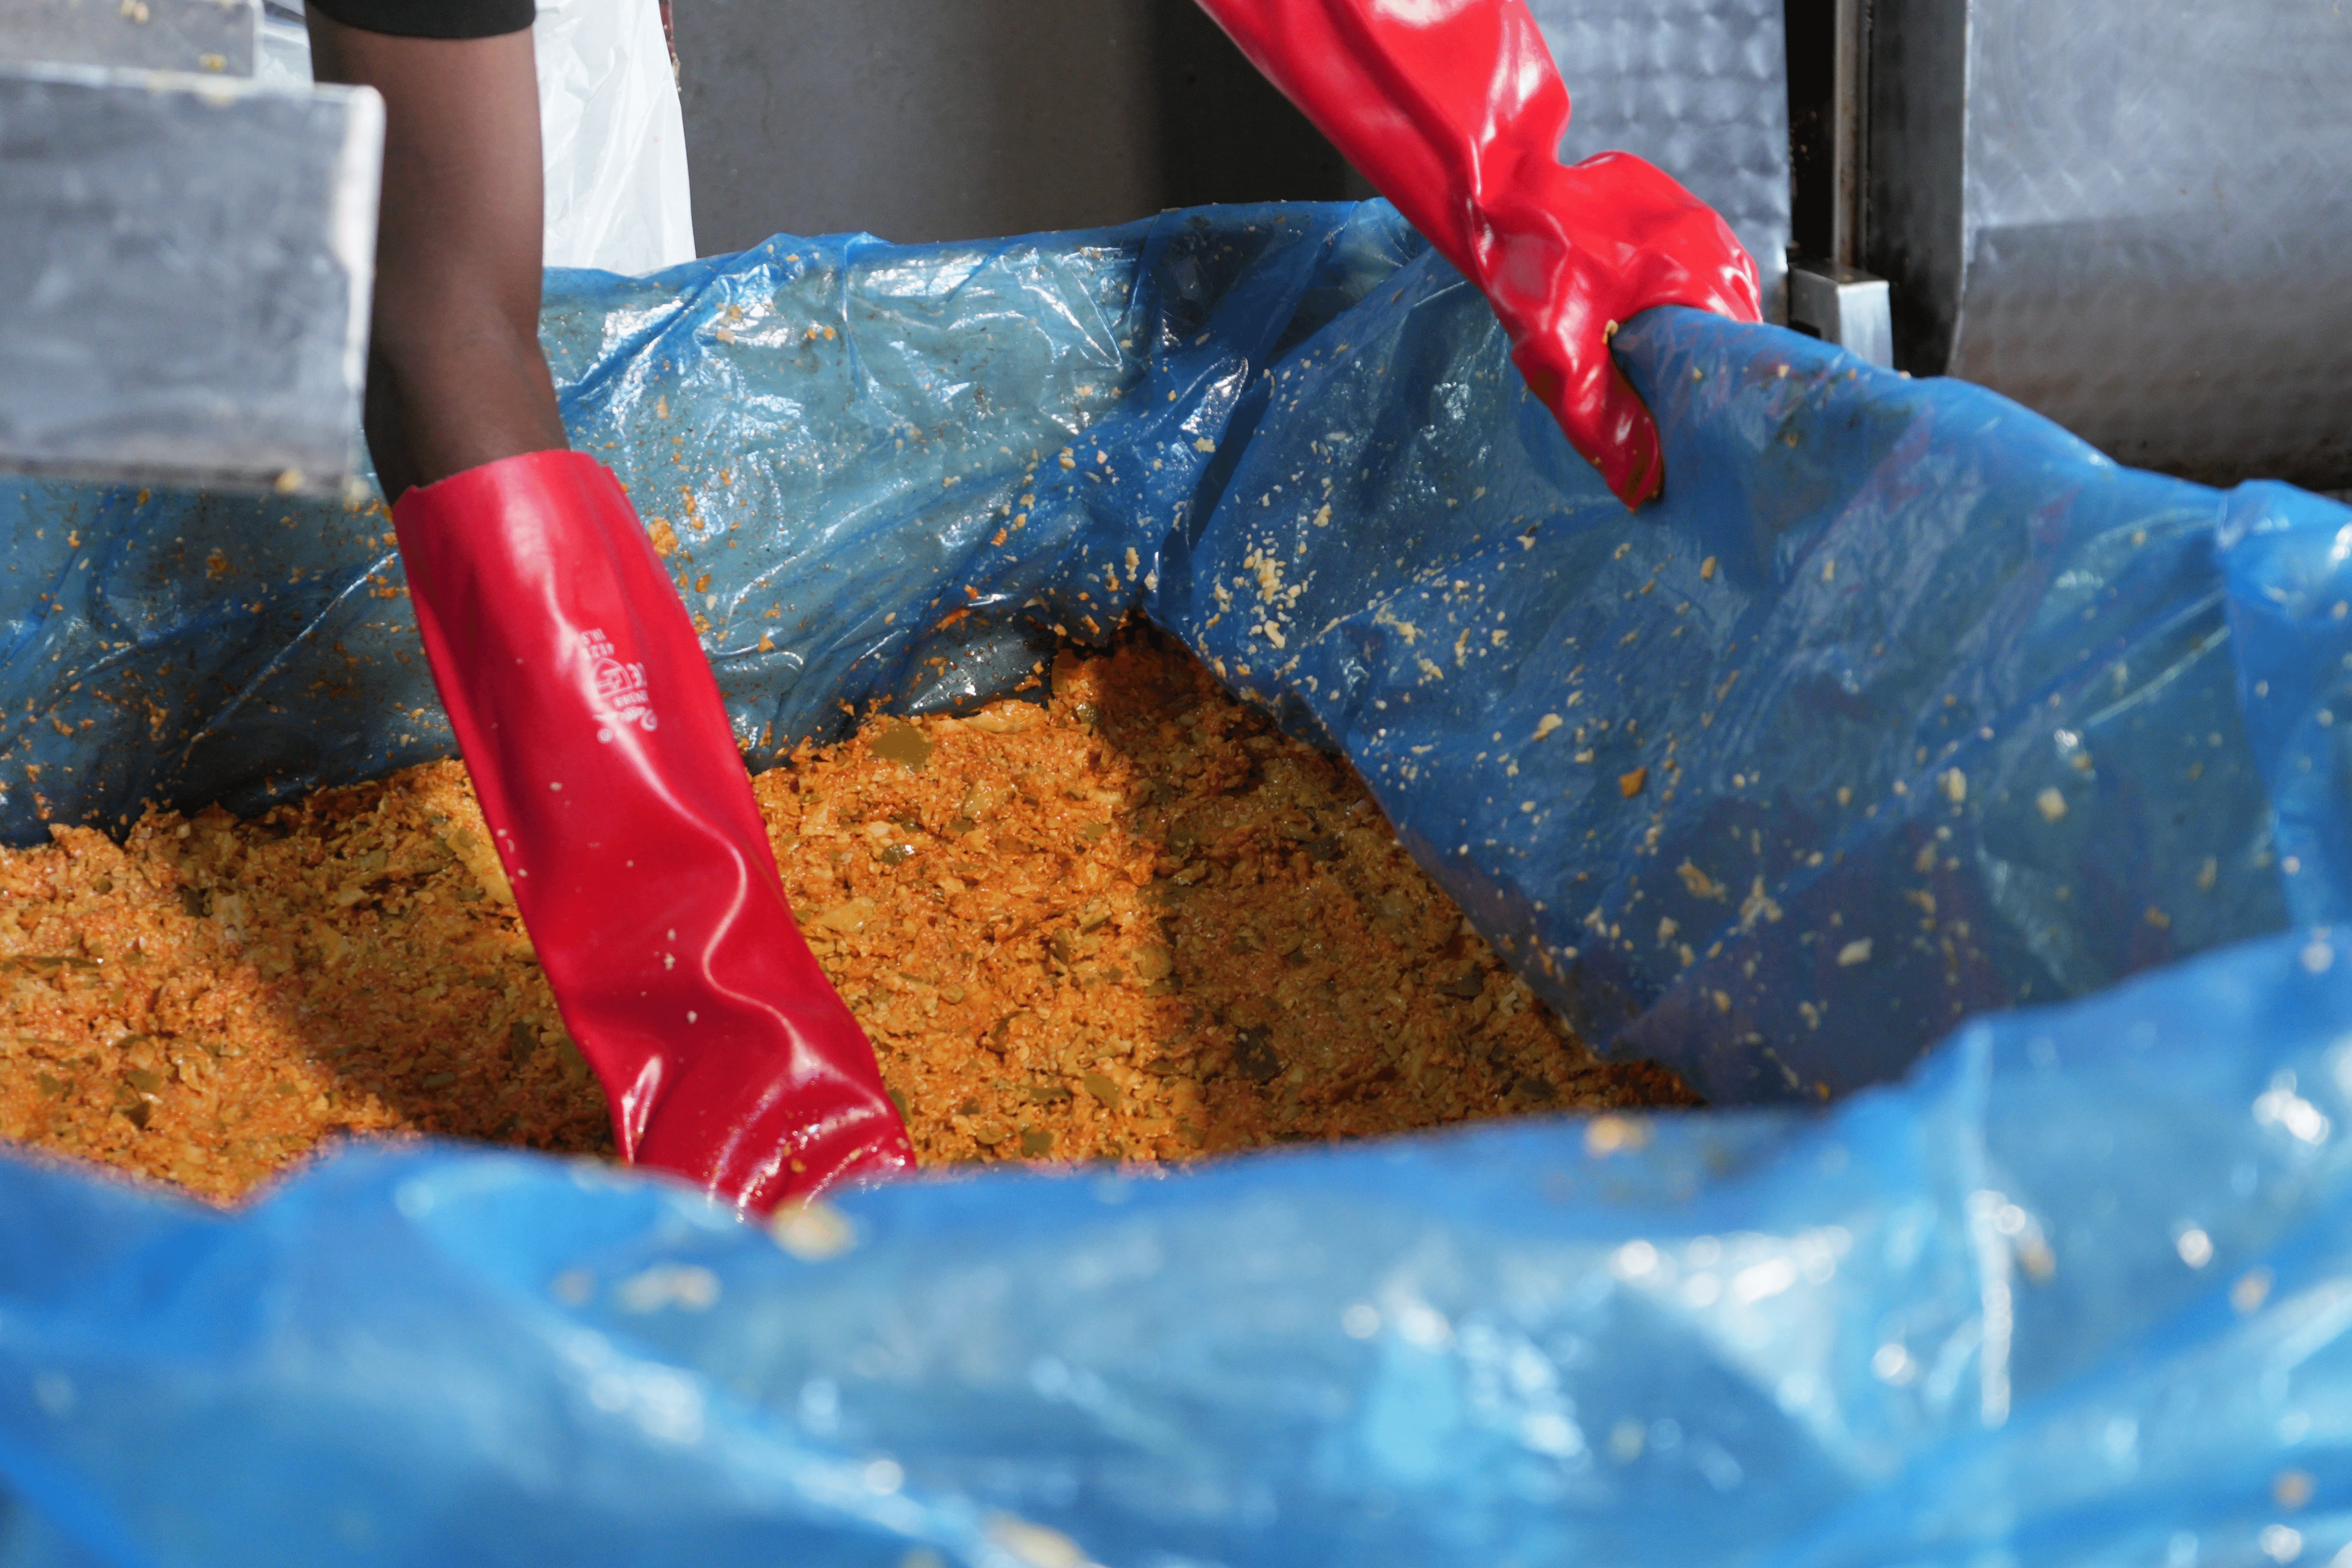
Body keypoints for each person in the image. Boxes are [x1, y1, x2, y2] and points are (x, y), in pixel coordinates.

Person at [304, 0, 1758, 1214]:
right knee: (449, 421)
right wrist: (732, 1058)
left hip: (553, 49)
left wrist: (1534, 198)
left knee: (631, 395)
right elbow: (439, 316)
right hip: (281, 120)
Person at [306, 0, 915, 1215]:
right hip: (224, 104)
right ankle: (751, 1096)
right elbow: (441, 325)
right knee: (449, 338)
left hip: (535, 86)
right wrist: (757, 1099)